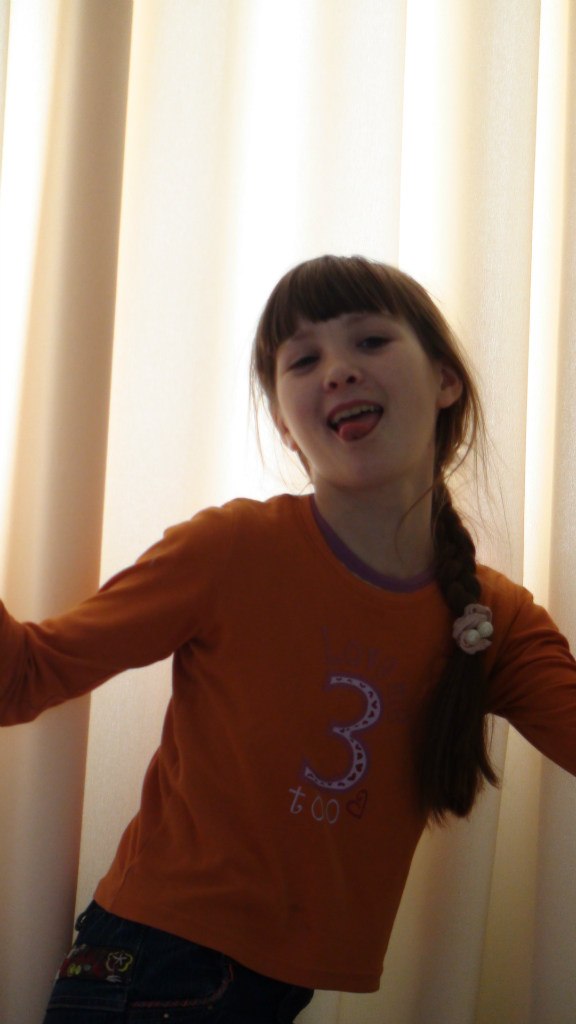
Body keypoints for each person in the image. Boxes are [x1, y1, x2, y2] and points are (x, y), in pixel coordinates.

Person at [1, 254, 575, 1022]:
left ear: (446, 381)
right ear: (284, 423)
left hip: (274, 995)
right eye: (303, 360)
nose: (337, 370)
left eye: (370, 341)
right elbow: (22, 679)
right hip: (147, 967)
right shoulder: (232, 549)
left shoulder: (497, 619)